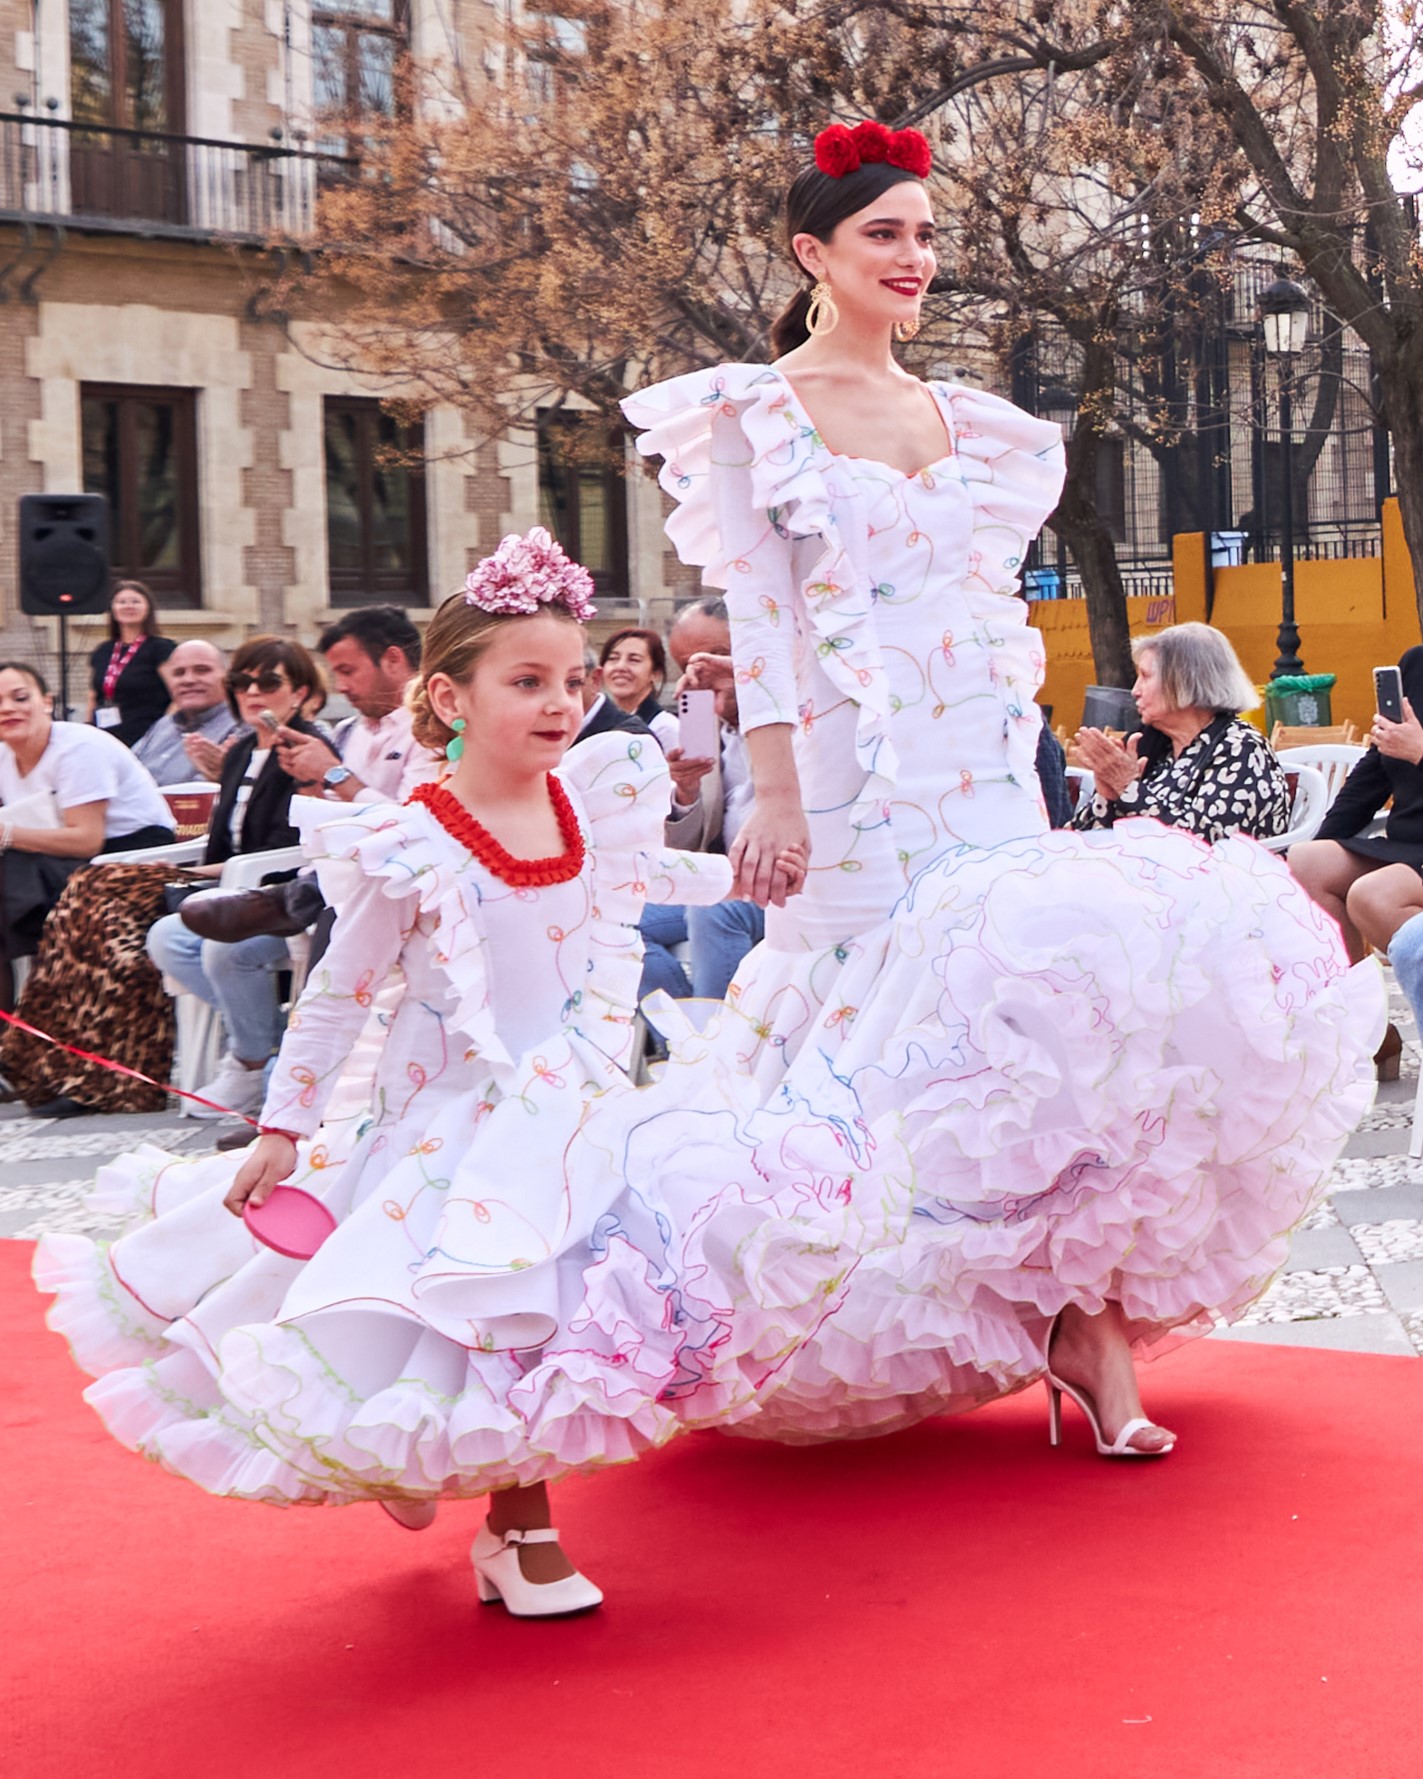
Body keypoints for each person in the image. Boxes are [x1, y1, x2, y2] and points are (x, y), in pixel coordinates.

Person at [608, 118, 1380, 1455]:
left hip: (980, 761)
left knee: (1036, 1024)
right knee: (855, 1033)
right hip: (846, 772)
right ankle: (827, 1302)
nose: (913, 256)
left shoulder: (974, 423)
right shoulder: (749, 411)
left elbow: (975, 603)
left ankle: (1080, 1320)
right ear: (813, 253)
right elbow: (763, 614)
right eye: (881, 233)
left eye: (922, 233)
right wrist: (775, 792)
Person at [35, 527, 768, 1616]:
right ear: (449, 697)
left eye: (571, 680)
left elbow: (652, 871)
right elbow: (336, 992)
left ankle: (491, 1507)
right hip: (442, 1124)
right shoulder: (407, 841)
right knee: (464, 1312)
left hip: (574, 1110)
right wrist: (283, 1128)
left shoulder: (589, 802)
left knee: (550, 1318)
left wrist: (766, 876)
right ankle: (509, 1525)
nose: (562, 702)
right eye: (527, 681)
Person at [143, 637, 329, 1118]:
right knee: (165, 938)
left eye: (268, 682)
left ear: (301, 692)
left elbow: (291, 847)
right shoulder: (244, 749)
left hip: (288, 898)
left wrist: (199, 872)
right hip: (237, 889)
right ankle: (270, 1046)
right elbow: (228, 838)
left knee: (224, 947)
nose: (252, 692)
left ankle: (249, 1062)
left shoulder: (309, 748)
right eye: (241, 682)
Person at [0, 662, 174, 1014]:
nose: (7, 708)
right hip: (55, 860)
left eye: (20, 697)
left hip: (131, 856)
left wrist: (7, 835)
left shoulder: (78, 748)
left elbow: (86, 840)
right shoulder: (4, 755)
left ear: (46, 702)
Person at [1289, 644, 1423, 1079]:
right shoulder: (1415, 665)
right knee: (1307, 862)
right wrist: (1328, 837)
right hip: (1408, 845)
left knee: (1372, 895)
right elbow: (1376, 765)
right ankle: (1371, 1031)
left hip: (1410, 863)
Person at [1071, 625, 1289, 844]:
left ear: (1185, 681)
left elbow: (1204, 846)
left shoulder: (1241, 748)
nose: (1136, 690)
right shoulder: (1153, 746)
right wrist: (1108, 795)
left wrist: (1127, 786)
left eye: (1145, 676)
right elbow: (1080, 837)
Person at [665, 597, 764, 999]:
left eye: (717, 658)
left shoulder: (795, 715)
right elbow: (686, 847)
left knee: (713, 913)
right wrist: (685, 794)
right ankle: (679, 1040)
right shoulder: (697, 716)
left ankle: (717, 1046)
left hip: (780, 884)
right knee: (612, 913)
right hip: (717, 877)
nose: (703, 676)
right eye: (689, 667)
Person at [270, 606, 438, 805]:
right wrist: (307, 778)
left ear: (393, 660)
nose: (340, 687)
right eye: (336, 675)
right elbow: (326, 819)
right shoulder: (345, 732)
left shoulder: (436, 732)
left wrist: (333, 773)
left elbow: (415, 822)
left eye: (348, 671)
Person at [131, 640, 246, 787]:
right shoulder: (162, 726)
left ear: (227, 677)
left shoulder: (241, 728)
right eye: (179, 673)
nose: (188, 680)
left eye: (202, 670)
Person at [87, 581, 176, 748]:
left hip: (147, 739)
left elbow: (178, 696)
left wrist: (161, 734)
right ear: (112, 609)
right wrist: (88, 728)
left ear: (148, 608)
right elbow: (93, 695)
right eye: (122, 602)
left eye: (135, 602)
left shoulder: (161, 648)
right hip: (106, 738)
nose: (129, 606)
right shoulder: (104, 650)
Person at [597, 628, 679, 750]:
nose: (620, 667)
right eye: (613, 658)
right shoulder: (598, 724)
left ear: (655, 673)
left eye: (634, 660)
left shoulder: (665, 728)